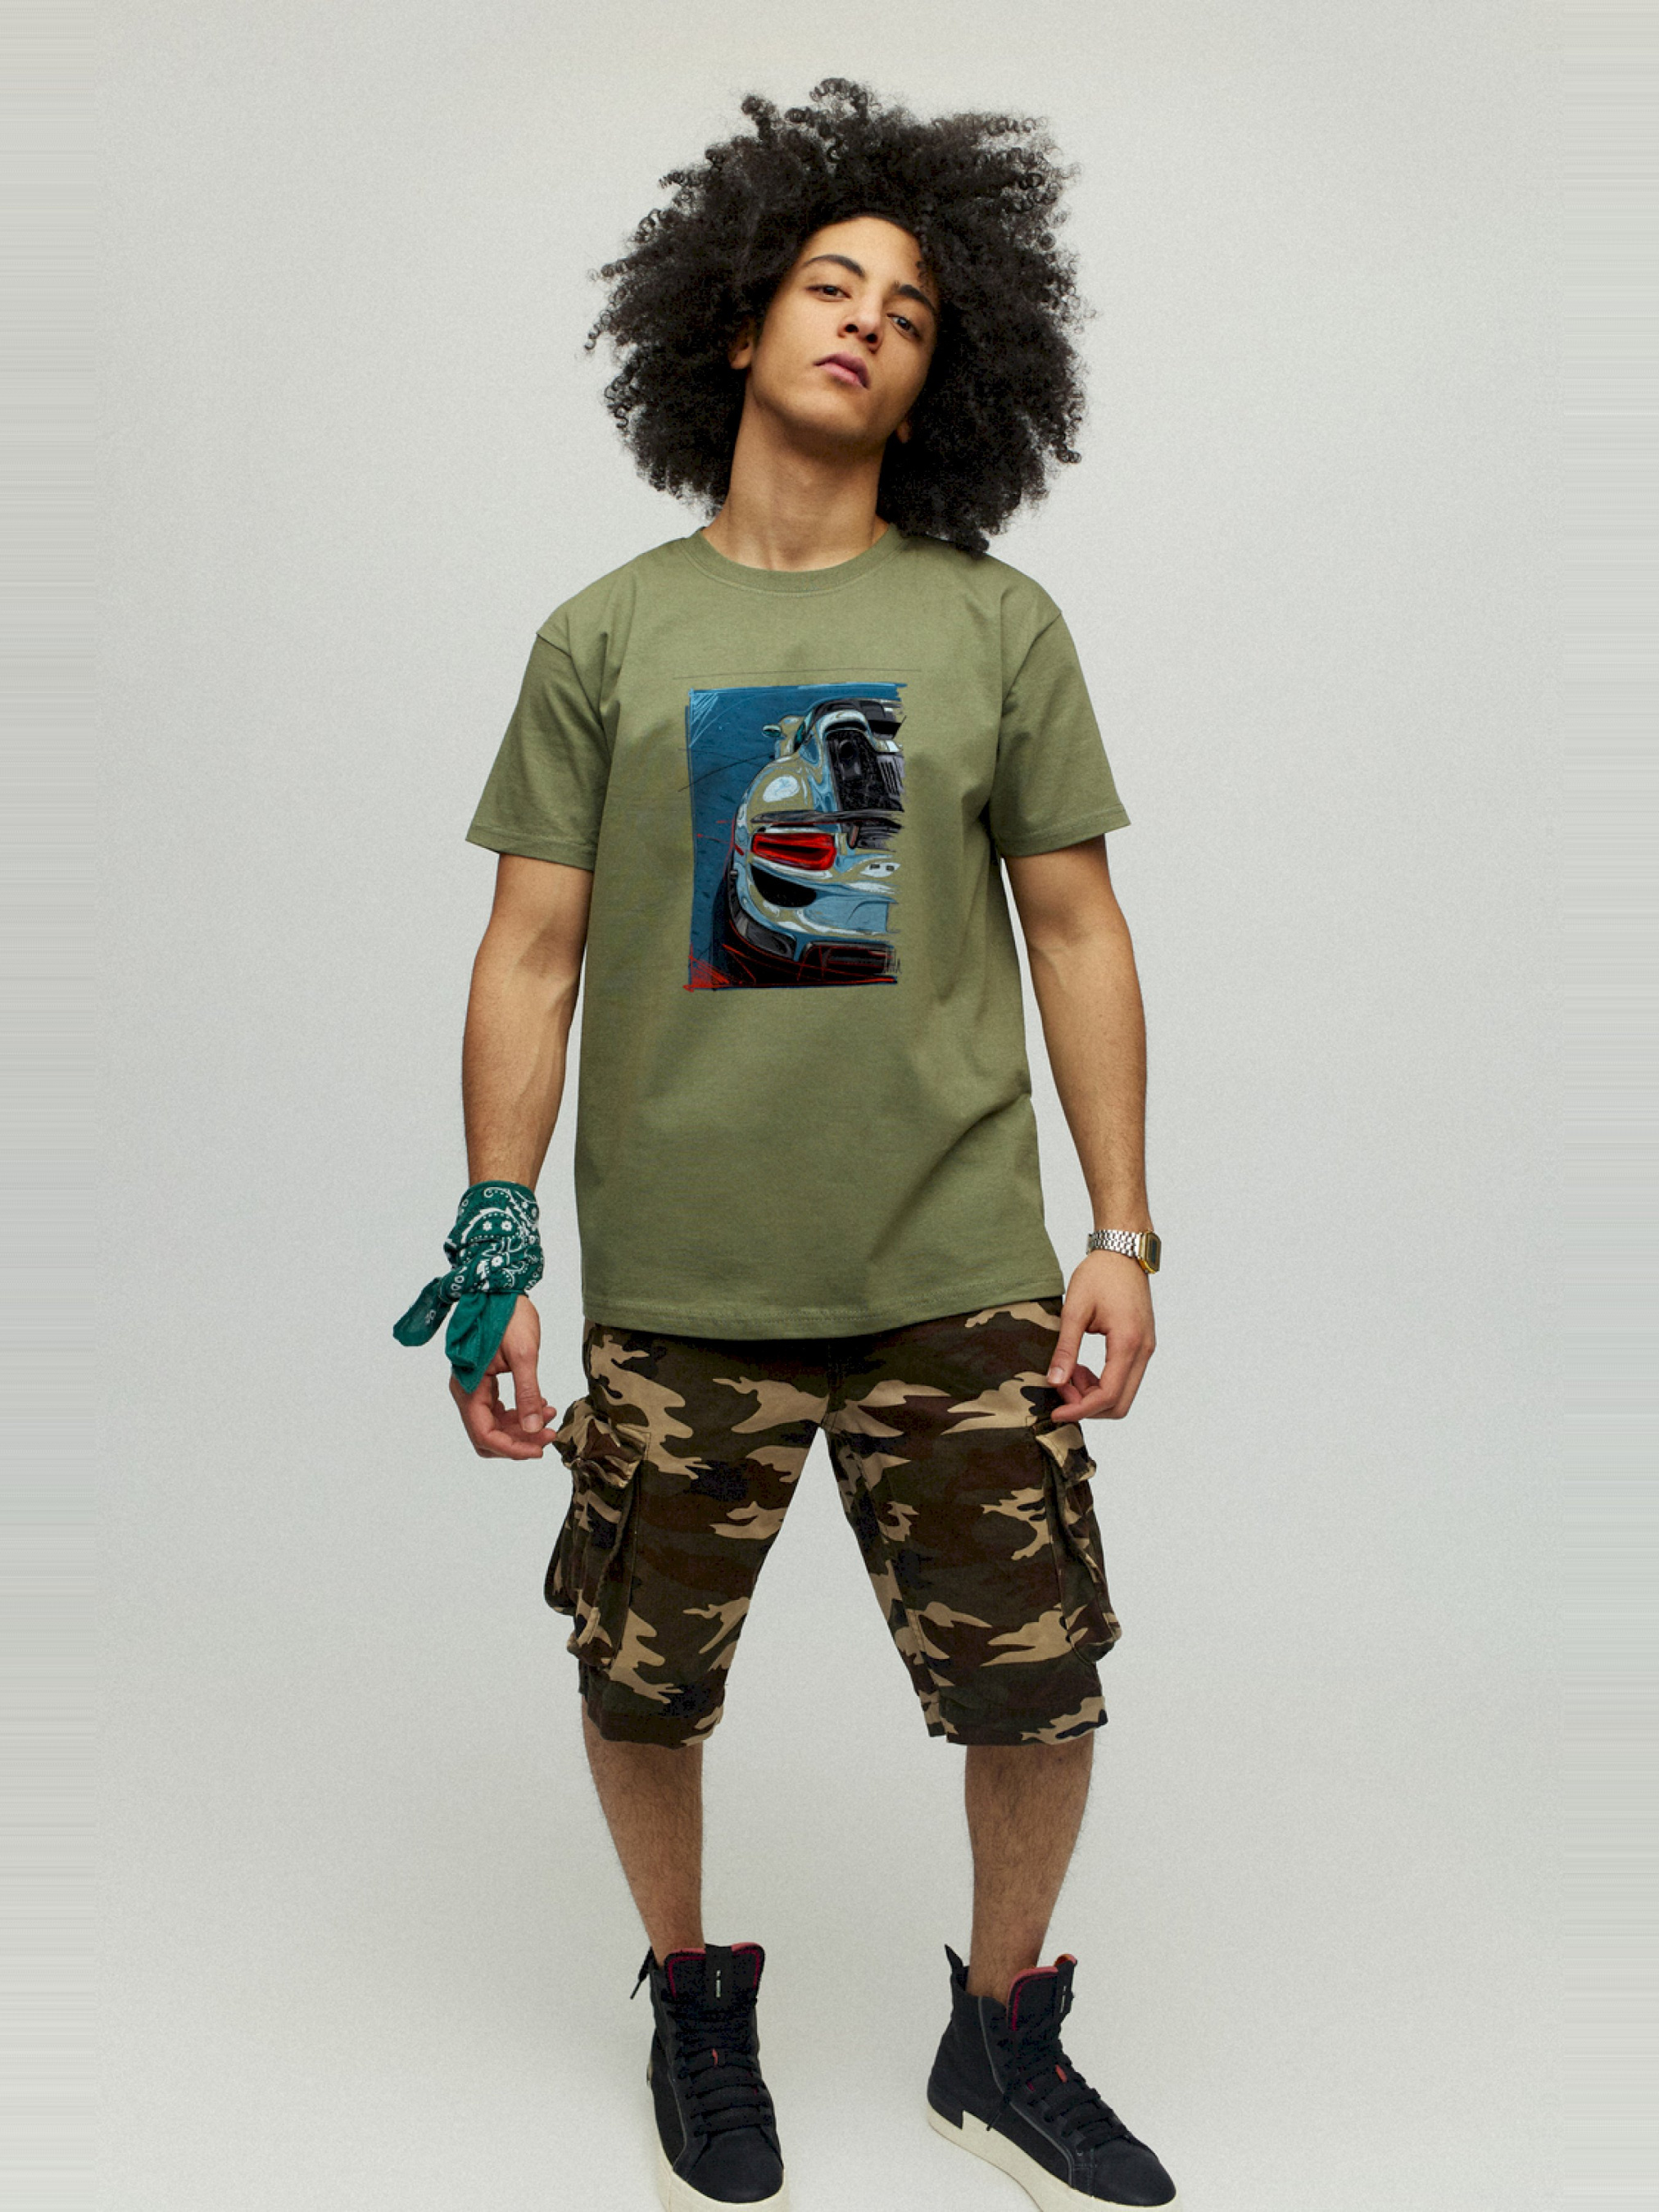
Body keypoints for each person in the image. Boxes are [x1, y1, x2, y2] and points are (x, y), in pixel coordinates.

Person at [395, 78, 1180, 2212]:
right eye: (831, 286)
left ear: (944, 380)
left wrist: (1121, 1232)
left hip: (957, 1267)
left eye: (910, 312)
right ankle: (690, 1993)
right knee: (640, 1681)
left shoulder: (994, 626)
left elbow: (1079, 928)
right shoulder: (608, 635)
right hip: (684, 1282)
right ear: (735, 325)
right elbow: (528, 951)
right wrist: (494, 1234)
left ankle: (1001, 2032)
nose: (864, 324)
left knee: (1038, 1683)